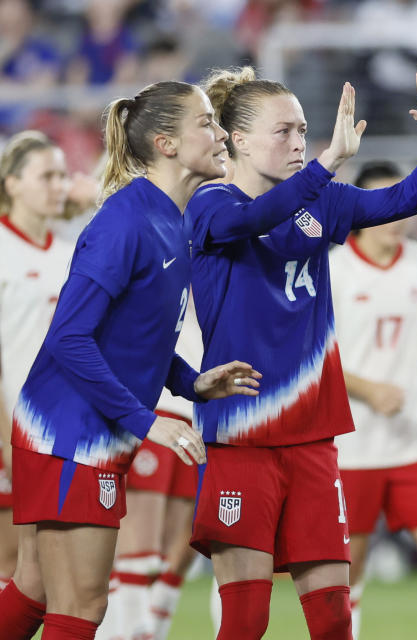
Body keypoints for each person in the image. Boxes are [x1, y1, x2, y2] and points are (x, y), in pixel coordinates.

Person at [187, 64, 417, 640]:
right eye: (283, 131)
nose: (299, 141)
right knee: (247, 619)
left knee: (335, 617)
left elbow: (403, 199)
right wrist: (326, 163)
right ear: (236, 140)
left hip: (312, 434)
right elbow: (256, 218)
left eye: (303, 129)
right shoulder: (210, 204)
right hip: (241, 433)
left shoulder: (323, 201)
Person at [0, 80, 262, 640]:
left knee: (34, 590)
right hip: (69, 432)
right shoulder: (125, 222)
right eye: (206, 123)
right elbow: (69, 337)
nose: (220, 135)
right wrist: (148, 424)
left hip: (80, 428)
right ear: (166, 143)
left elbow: (135, 335)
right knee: (82, 605)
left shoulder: (172, 217)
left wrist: (191, 383)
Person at [330, 161, 417, 640]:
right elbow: (312, 358)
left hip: (413, 439)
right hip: (350, 446)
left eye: (400, 202)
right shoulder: (332, 269)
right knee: (351, 568)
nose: (394, 214)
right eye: (381, 203)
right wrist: (367, 389)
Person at [97, 294, 204, 640]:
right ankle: (121, 632)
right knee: (137, 549)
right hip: (152, 406)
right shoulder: (157, 252)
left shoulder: (221, 260)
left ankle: (149, 632)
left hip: (198, 416)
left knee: (181, 549)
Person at [0, 131, 73, 599]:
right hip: (9, 427)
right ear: (11, 184)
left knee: (51, 568)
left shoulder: (71, 255)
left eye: (62, 175)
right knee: (10, 561)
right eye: (46, 176)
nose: (58, 186)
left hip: (60, 429)